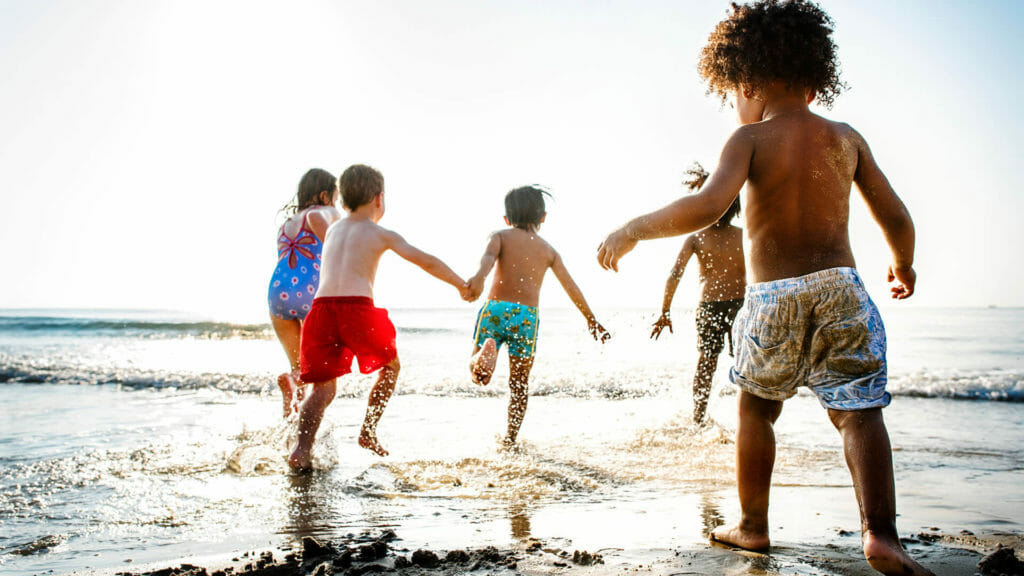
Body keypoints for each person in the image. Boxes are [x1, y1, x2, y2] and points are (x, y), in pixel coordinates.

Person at [596, 1, 931, 574]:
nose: (734, 104)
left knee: (756, 408)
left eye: (731, 93)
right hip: (843, 290)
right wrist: (903, 263)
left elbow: (705, 208)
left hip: (772, 296)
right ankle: (881, 536)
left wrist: (633, 229)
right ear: (814, 74)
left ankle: (752, 526)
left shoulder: (748, 139)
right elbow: (895, 215)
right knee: (861, 414)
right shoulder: (846, 138)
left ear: (747, 78)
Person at [289, 164, 470, 469]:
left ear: (342, 201)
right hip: (355, 309)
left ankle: (300, 450)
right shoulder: (379, 233)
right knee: (390, 367)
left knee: (322, 389)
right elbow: (424, 261)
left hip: (319, 311)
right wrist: (460, 284)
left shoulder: (333, 229)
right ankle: (368, 430)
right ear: (379, 198)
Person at [465, 185, 610, 448]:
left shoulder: (500, 236)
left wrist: (478, 278)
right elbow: (571, 287)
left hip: (496, 308)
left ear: (507, 219)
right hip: (526, 318)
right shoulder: (548, 251)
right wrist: (591, 319)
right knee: (519, 385)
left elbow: (487, 260)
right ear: (543, 217)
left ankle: (486, 352)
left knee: (478, 374)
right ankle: (509, 439)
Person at [650, 162, 745, 426]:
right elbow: (674, 274)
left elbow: (674, 274)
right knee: (731, 362)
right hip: (731, 306)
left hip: (727, 306)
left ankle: (704, 418)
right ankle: (702, 417)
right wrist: (664, 310)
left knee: (713, 362)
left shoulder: (704, 238)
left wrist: (665, 311)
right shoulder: (729, 237)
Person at [268, 168, 342, 418]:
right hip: (312, 294)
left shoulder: (287, 224)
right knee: (324, 379)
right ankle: (304, 442)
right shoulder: (323, 212)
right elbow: (336, 247)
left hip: (277, 295)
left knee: (298, 370)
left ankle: (290, 431)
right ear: (324, 195)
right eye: (336, 197)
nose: (337, 203)